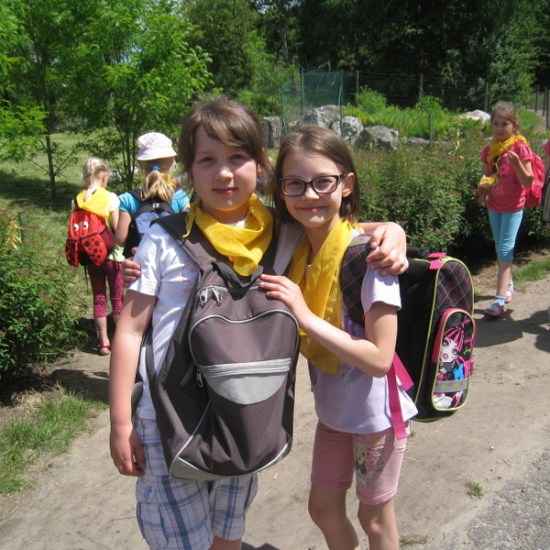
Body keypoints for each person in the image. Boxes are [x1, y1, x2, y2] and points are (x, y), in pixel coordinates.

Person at [110, 96, 409, 550]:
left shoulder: (279, 232)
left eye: (237, 157)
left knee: (228, 532)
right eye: (207, 160)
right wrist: (120, 422)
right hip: (167, 420)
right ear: (187, 171)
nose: (224, 173)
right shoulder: (164, 239)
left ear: (260, 165)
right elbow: (130, 331)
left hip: (244, 414)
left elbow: (332, 224)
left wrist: (391, 230)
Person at [259, 125, 417, 550]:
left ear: (346, 184)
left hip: (376, 420)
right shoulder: (294, 245)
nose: (309, 194)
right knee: (324, 509)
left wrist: (305, 316)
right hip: (334, 414)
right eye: (294, 183)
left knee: (374, 518)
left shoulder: (373, 261)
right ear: (281, 190)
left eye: (322, 182)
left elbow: (380, 358)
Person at [475, 101, 535, 318]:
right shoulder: (489, 150)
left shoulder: (520, 148)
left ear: (514, 125)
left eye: (505, 124)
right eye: (496, 124)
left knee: (505, 249)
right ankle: (508, 284)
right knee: (499, 247)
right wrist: (483, 187)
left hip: (513, 206)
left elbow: (528, 182)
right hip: (494, 205)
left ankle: (499, 301)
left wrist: (517, 163)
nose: (499, 128)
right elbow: (487, 175)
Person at [116, 132, 190, 256]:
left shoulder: (128, 198)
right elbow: (190, 232)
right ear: (173, 164)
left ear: (140, 164)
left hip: (141, 262)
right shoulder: (180, 197)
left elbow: (120, 240)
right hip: (172, 261)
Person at [78, 157, 124, 355]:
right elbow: (116, 227)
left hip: (91, 257)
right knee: (118, 298)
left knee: (99, 298)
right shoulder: (111, 197)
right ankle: (121, 342)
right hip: (113, 256)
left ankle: (104, 342)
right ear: (103, 174)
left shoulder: (79, 198)